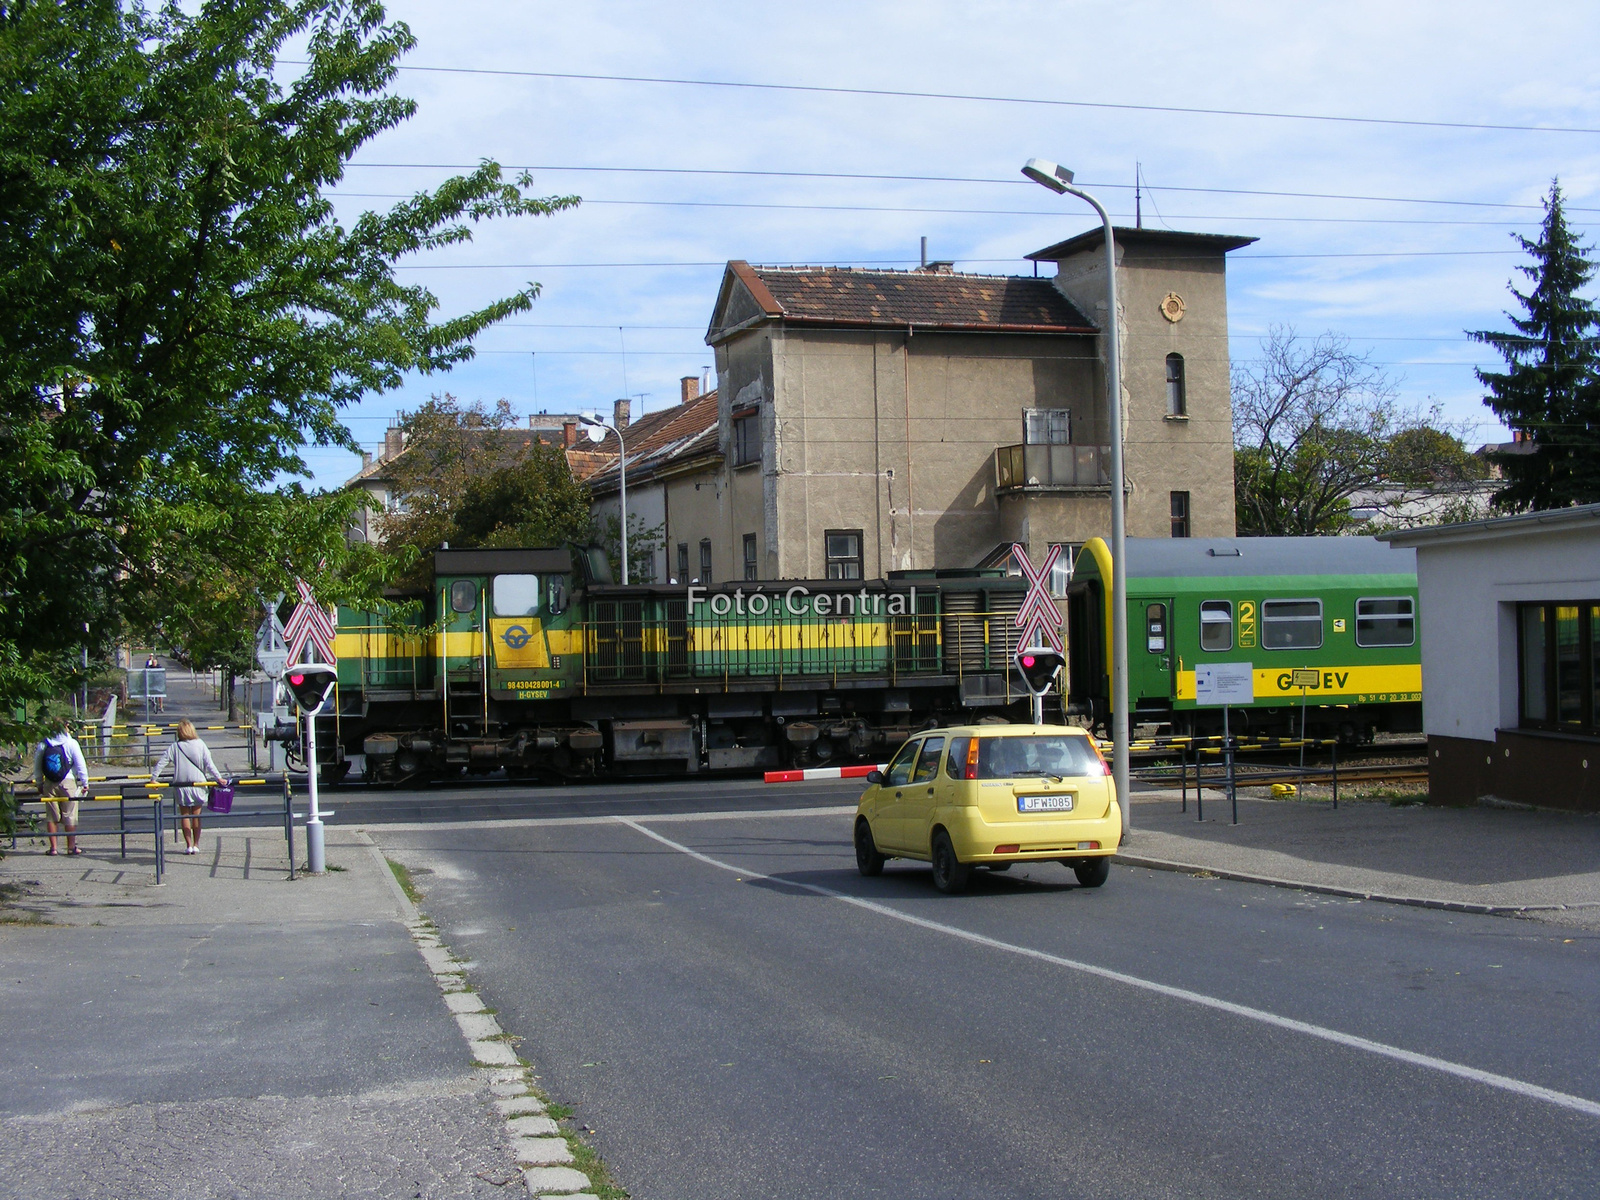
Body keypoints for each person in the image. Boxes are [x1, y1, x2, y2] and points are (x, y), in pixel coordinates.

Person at [153, 720, 225, 855]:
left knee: (184, 815)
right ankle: (196, 844)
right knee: (196, 816)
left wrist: (153, 779)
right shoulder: (200, 744)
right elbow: (209, 764)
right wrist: (218, 778)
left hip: (181, 785)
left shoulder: (175, 746)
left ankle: (188, 845)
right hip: (198, 783)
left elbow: (161, 762)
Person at [34, 719, 90, 856]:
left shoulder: (44, 743)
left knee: (51, 816)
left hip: (49, 783)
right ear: (65, 726)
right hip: (68, 781)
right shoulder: (71, 743)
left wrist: (39, 783)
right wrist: (85, 782)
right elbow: (80, 764)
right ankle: (71, 847)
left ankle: (53, 848)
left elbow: (37, 765)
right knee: (70, 815)